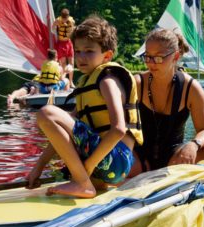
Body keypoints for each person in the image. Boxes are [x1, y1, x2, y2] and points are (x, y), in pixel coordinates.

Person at [26, 16, 143, 198]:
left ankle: (83, 183)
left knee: (46, 112)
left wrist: (86, 168)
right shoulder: (85, 84)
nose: (81, 57)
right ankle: (87, 182)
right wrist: (38, 167)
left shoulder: (107, 81)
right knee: (54, 119)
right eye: (78, 51)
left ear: (107, 55)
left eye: (89, 51)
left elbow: (119, 129)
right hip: (103, 163)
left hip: (117, 159)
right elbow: (62, 129)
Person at [130, 28, 204, 176]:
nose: (151, 63)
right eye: (147, 57)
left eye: (158, 58)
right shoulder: (137, 83)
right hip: (139, 160)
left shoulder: (191, 88)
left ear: (175, 56)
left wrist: (193, 145)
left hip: (175, 160)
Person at [52, 8, 75, 88]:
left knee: (71, 63)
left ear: (68, 17)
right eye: (63, 19)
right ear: (61, 17)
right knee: (63, 64)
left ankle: (71, 82)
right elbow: (53, 28)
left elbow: (73, 29)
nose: (65, 21)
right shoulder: (58, 20)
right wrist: (55, 27)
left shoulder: (71, 21)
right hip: (61, 43)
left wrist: (71, 29)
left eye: (66, 19)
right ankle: (63, 81)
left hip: (68, 43)